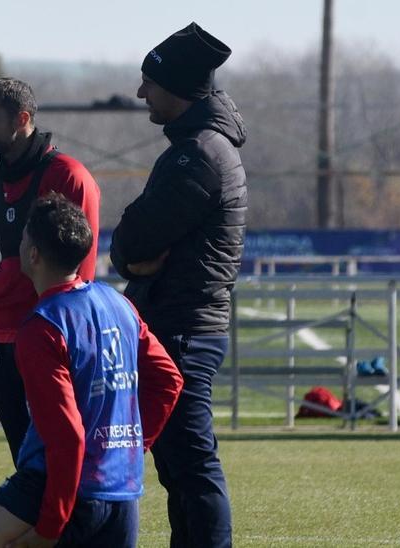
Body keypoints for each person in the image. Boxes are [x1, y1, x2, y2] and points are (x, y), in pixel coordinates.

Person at [0, 194, 182, 548]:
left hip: (57, 489)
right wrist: (130, 447)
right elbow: (169, 380)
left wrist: (49, 528)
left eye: (24, 237)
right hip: (121, 492)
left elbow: (67, 437)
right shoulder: (118, 303)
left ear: (32, 253)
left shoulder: (43, 327)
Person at [108, 22, 248, 547]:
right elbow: (134, 247)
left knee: (190, 465)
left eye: (149, 81)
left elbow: (134, 240)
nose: (142, 92)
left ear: (179, 87)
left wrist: (125, 250)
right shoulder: (199, 148)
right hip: (179, 324)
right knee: (178, 468)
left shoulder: (199, 155)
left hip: (183, 328)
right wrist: (129, 252)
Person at [0, 77, 102, 464]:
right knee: (25, 459)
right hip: (2, 333)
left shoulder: (68, 177)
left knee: (62, 453)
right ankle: (42, 524)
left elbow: (84, 269)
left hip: (51, 336)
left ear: (23, 118)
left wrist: (67, 336)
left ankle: (71, 523)